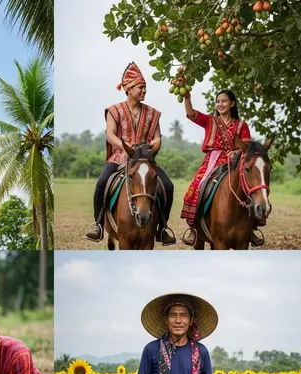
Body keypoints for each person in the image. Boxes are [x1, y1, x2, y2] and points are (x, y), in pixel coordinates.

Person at [85, 61, 175, 245]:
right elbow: (110, 135)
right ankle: (98, 224)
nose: (144, 91)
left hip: (145, 159)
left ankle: (162, 228)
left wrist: (149, 146)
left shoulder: (153, 113)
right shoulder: (114, 110)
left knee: (168, 186)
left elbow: (158, 138)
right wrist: (125, 146)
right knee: (102, 183)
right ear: (129, 88)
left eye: (145, 88)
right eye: (141, 87)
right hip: (120, 157)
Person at [181, 90, 264, 247]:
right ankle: (194, 227)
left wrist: (236, 152)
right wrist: (187, 97)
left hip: (233, 162)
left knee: (248, 188)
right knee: (196, 186)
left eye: (224, 101)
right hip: (211, 161)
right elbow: (191, 114)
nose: (220, 104)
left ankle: (251, 227)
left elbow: (246, 146)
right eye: (218, 101)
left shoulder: (241, 125)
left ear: (232, 103)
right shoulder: (210, 121)